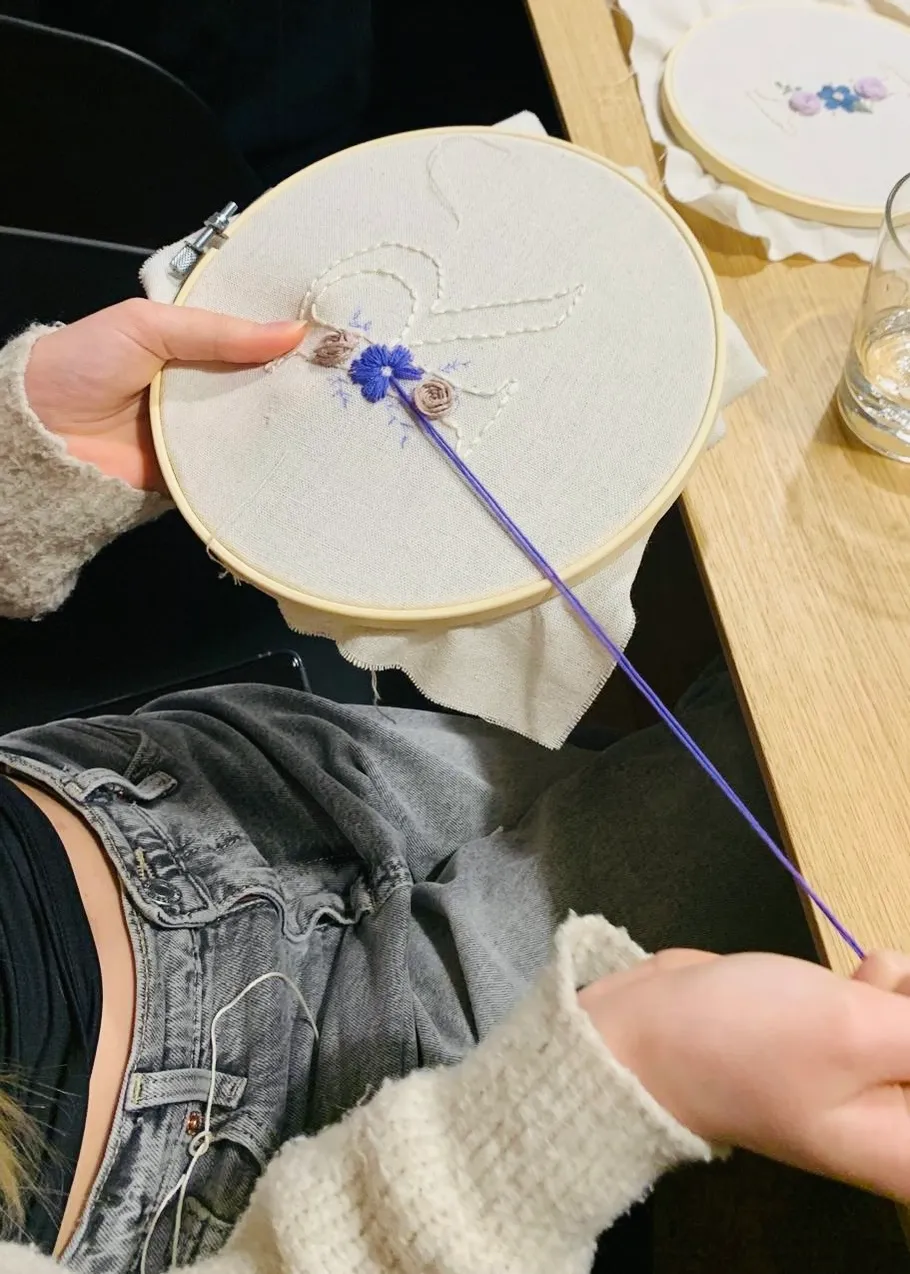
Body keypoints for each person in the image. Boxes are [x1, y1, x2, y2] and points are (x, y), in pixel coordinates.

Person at [1, 299, 910, 1274]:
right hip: (253, 1149)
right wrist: (584, 1105)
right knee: (827, 727)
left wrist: (15, 465)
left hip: (169, 792)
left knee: (661, 774)